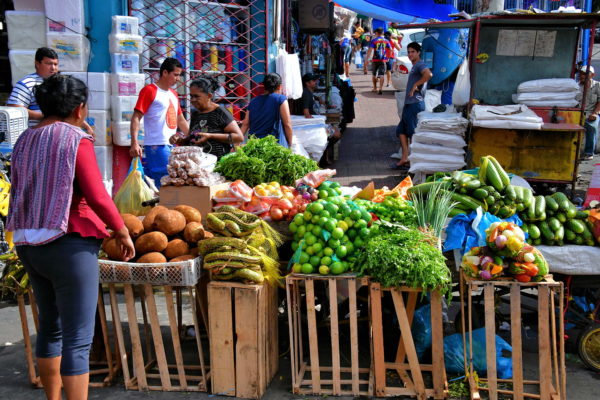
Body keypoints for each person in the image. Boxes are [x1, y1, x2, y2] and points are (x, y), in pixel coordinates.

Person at [6, 74, 135, 400]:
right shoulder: (74, 138)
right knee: (78, 338)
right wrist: (121, 231)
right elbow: (96, 195)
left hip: (28, 242)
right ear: (79, 108)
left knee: (50, 328)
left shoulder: (24, 140)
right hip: (69, 242)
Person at [130, 57, 189, 187]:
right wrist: (134, 142)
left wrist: (193, 137)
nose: (178, 79)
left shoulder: (174, 93)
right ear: (165, 72)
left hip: (172, 146)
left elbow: (181, 120)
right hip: (156, 145)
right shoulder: (150, 90)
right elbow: (136, 117)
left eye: (179, 75)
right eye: (176, 75)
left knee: (173, 181)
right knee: (165, 183)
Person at [170, 76, 243, 158]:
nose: (193, 100)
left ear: (209, 96)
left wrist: (210, 136)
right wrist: (180, 140)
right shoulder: (196, 114)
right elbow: (192, 139)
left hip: (218, 164)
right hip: (200, 164)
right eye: (191, 96)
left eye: (197, 96)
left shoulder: (220, 112)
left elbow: (239, 137)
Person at [393, 42, 432, 169]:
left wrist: (416, 85)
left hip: (415, 103)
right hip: (409, 103)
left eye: (412, 52)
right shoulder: (415, 66)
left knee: (412, 132)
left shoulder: (420, 64)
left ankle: (414, 160)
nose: (410, 54)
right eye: (408, 52)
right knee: (401, 131)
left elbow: (428, 75)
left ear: (418, 53)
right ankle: (405, 157)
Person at [241, 73, 293, 147]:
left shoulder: (253, 101)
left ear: (264, 86)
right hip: (271, 145)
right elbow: (287, 124)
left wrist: (237, 142)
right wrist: (290, 144)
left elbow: (245, 124)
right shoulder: (281, 99)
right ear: (279, 86)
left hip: (253, 144)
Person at [579, 66, 600, 160]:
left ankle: (588, 152)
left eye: (585, 74)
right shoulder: (576, 86)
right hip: (579, 113)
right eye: (581, 73)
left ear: (592, 75)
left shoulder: (597, 85)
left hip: (592, 112)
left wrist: (595, 113)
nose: (582, 76)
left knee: (592, 126)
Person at [366, 27, 391, 95]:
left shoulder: (374, 40)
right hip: (383, 59)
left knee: (374, 74)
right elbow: (390, 49)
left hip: (375, 59)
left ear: (376, 33)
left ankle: (374, 88)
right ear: (382, 33)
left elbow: (370, 50)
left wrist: (367, 58)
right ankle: (380, 88)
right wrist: (388, 57)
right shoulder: (386, 40)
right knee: (382, 74)